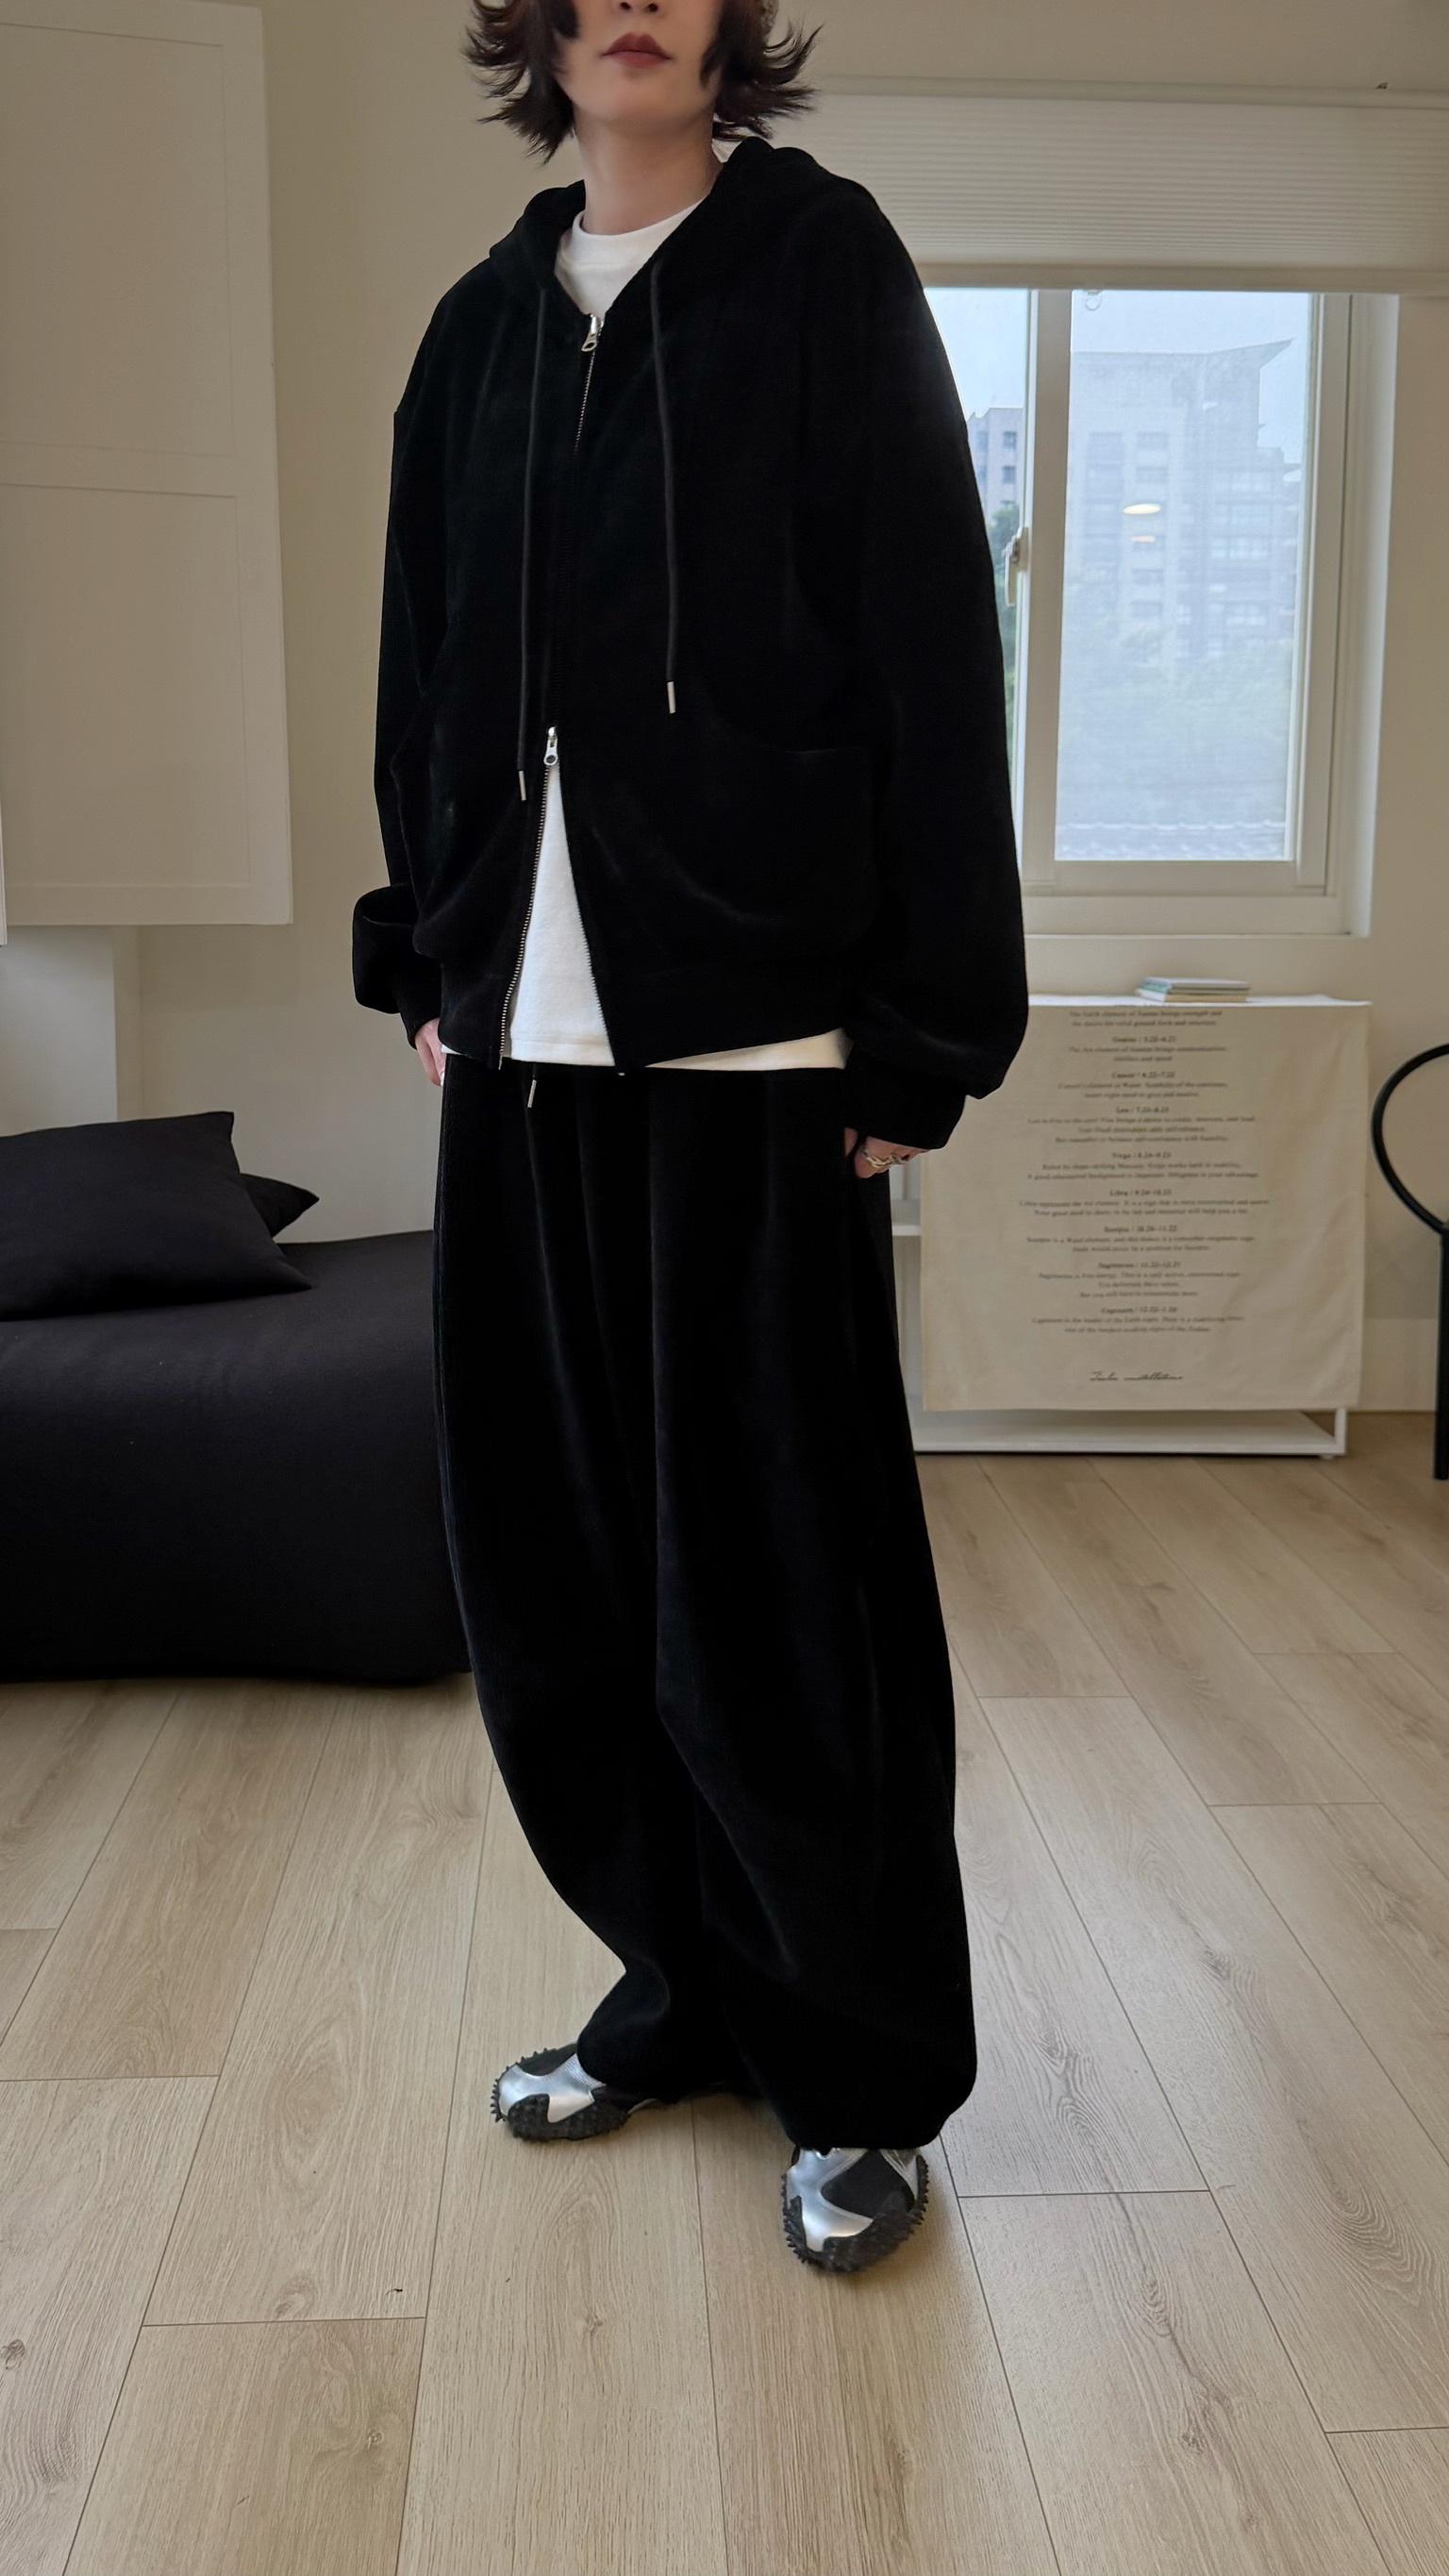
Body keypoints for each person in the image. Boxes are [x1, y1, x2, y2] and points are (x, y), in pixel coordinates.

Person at [353, 0, 1026, 2275]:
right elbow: (424, 662)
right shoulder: (479, 329)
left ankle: (859, 2074)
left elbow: (931, 643)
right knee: (555, 1583)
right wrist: (433, 949)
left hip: (761, 1045)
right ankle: (684, 1995)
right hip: (522, 1047)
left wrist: (923, 1032)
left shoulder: (825, 273)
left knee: (781, 1602)